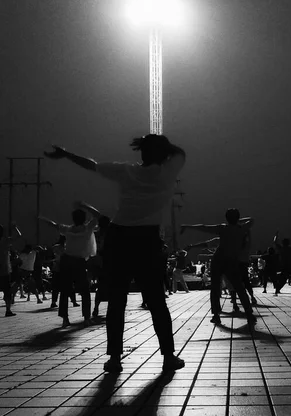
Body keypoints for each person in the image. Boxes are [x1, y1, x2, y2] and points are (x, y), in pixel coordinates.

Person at [44, 135, 186, 373]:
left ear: (141, 153)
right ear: (164, 154)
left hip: (119, 238)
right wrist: (160, 144)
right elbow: (180, 152)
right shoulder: (167, 172)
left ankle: (114, 359)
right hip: (146, 240)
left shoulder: (126, 171)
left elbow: (92, 164)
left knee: (117, 300)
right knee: (156, 300)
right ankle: (168, 356)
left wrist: (66, 153)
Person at [181, 209, 256, 326]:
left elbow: (204, 227)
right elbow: (252, 219)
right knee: (239, 288)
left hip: (218, 260)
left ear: (227, 218)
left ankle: (216, 315)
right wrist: (238, 221)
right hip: (231, 261)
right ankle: (249, 314)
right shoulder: (242, 229)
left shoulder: (223, 228)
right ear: (237, 218)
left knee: (215, 288)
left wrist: (187, 226)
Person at [39, 203, 97, 327]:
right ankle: (87, 317)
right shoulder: (87, 229)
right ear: (84, 219)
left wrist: (42, 219)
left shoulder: (68, 229)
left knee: (65, 290)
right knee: (85, 290)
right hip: (79, 262)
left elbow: (53, 224)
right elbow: (98, 215)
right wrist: (84, 205)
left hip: (67, 261)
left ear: (73, 219)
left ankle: (65, 319)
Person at [0, 222, 22, 316]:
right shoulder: (4, 240)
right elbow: (18, 236)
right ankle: (8, 310)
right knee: (7, 290)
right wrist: (14, 228)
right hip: (4, 269)